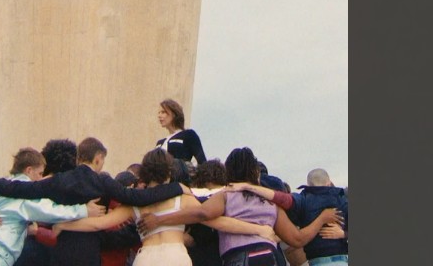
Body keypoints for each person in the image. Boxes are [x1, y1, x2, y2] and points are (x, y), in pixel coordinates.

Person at [51, 149, 279, 266]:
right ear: (169, 172)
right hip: (175, 256)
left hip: (146, 257)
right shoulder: (182, 197)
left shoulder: (137, 202)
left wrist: (65, 223)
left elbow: (98, 224)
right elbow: (215, 220)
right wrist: (258, 230)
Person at [0, 137, 186, 266]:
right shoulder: (102, 181)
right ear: (98, 158)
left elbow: (24, 189)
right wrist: (177, 187)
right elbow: (136, 197)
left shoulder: (60, 181)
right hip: (89, 252)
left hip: (61, 251)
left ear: (78, 158)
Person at [136, 148, 341, 266]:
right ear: (255, 172)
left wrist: (159, 219)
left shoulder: (227, 196)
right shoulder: (269, 202)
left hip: (240, 258)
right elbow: (297, 239)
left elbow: (200, 213)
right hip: (269, 257)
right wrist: (321, 219)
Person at [0, 147, 107, 266]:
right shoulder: (25, 195)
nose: (42, 179)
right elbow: (51, 210)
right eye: (40, 173)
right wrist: (85, 210)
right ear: (29, 170)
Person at [226, 169, 347, 266]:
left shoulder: (303, 200)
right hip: (343, 259)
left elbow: (280, 198)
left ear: (308, 184)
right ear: (329, 182)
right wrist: (343, 234)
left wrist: (249, 187)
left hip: (316, 261)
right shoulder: (342, 199)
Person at [155, 99, 206, 167]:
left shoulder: (188, 135)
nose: (159, 115)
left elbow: (202, 162)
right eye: (159, 112)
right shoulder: (160, 143)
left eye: (163, 112)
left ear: (174, 114)